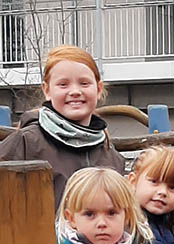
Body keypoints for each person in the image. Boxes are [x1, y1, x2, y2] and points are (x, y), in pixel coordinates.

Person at [0, 45, 125, 211]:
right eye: (63, 84)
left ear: (98, 89)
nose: (75, 91)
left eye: (84, 83)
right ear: (47, 90)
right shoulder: (26, 142)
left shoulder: (111, 155)